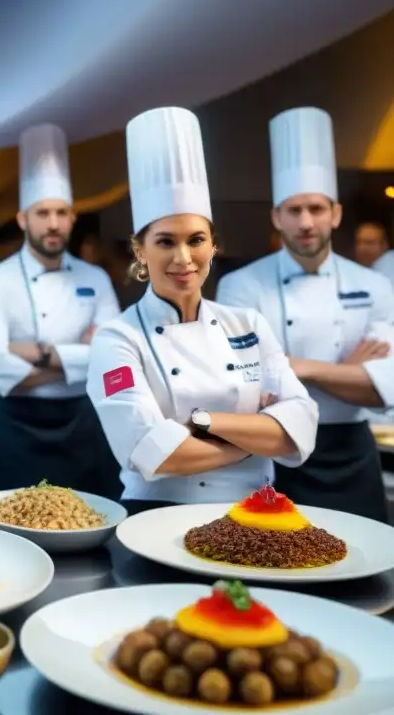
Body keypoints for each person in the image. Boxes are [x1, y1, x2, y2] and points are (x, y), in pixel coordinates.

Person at [86, 107, 318, 516]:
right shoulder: (117, 339)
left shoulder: (248, 323)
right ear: (140, 250)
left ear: (213, 245)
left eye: (196, 240)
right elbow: (153, 454)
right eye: (164, 242)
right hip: (157, 515)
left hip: (258, 516)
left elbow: (301, 425)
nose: (183, 258)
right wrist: (255, 436)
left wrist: (204, 421)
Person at [215, 107, 394, 522]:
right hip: (276, 452)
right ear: (277, 218)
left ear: (336, 213)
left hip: (351, 453)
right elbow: (246, 384)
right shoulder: (241, 286)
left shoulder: (374, 285)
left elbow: (385, 389)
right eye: (294, 211)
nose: (306, 222)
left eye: (316, 208)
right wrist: (348, 373)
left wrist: (293, 367)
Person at [0, 124, 123, 498]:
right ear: (23, 219)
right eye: (43, 213)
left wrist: (39, 354)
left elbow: (115, 361)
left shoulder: (96, 277)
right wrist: (78, 360)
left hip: (82, 429)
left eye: (60, 212)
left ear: (72, 217)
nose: (52, 223)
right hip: (12, 430)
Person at [354, 221, 394, 285]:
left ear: (384, 245)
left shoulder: (388, 265)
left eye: (369, 243)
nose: (363, 248)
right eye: (359, 242)